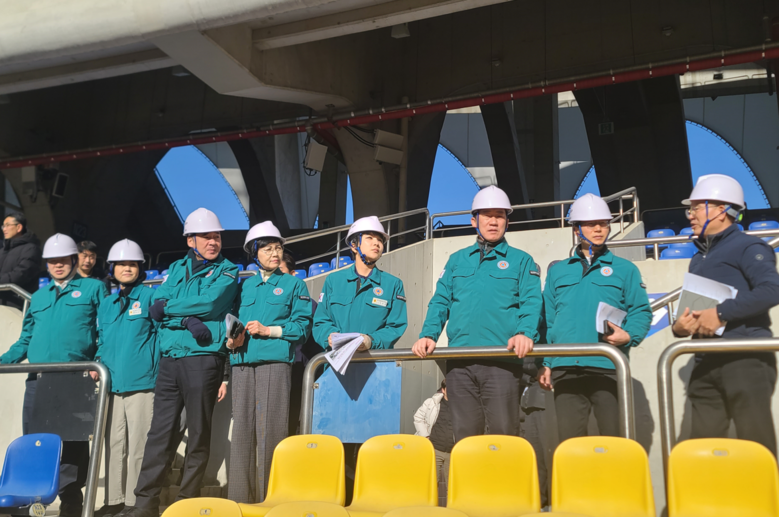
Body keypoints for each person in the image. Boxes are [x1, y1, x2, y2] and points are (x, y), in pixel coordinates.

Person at [118, 208, 239, 517]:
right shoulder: (176, 267)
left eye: (216, 236)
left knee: (198, 433)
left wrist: (174, 312)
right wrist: (187, 319)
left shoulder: (228, 270)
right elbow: (156, 307)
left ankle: (187, 502)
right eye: (206, 236)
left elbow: (209, 304)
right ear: (190, 240)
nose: (213, 242)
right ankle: (145, 503)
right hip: (170, 359)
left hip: (203, 358)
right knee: (159, 433)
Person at [412, 186, 542, 442]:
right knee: (465, 438)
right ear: (474, 221)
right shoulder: (457, 260)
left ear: (507, 221)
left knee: (503, 436)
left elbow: (531, 302)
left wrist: (525, 333)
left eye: (499, 216)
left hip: (502, 362)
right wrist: (428, 334)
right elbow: (441, 301)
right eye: (487, 215)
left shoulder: (521, 260)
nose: (493, 221)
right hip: (459, 362)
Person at [1, 233, 108, 517]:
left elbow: (105, 330)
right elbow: (26, 339)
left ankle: (71, 502)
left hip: (75, 378)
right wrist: (3, 360)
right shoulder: (39, 297)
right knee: (35, 441)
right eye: (52, 261)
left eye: (63, 260)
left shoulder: (93, 288)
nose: (58, 265)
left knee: (72, 444)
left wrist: (98, 362)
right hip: (38, 379)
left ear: (74, 259)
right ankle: (29, 500)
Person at [671, 174, 779, 455]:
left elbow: (772, 290)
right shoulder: (698, 258)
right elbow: (694, 311)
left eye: (696, 207)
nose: (690, 215)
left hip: (746, 358)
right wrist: (680, 327)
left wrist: (721, 313)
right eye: (690, 209)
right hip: (705, 362)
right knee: (703, 451)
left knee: (756, 448)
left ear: (721, 210)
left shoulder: (749, 247)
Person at [537, 193, 652, 441]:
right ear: (576, 229)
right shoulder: (558, 271)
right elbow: (548, 319)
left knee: (613, 440)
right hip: (565, 366)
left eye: (603, 223)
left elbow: (641, 310)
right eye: (590, 224)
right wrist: (546, 362)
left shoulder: (626, 269)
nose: (598, 229)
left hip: (607, 365)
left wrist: (629, 335)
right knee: (570, 443)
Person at [226, 221, 313, 503]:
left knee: (271, 432)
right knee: (241, 434)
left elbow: (302, 327)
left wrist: (269, 330)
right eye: (267, 249)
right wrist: (230, 342)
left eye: (278, 248)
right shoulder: (244, 286)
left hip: (274, 364)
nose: (275, 253)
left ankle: (271, 500)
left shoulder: (293, 284)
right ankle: (240, 501)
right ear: (254, 253)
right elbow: (228, 323)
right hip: (241, 363)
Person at [92, 240, 160, 517]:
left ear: (140, 268)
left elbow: (161, 336)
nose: (127, 268)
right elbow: (102, 340)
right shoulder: (107, 304)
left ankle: (134, 502)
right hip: (111, 385)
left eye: (132, 264)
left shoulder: (151, 297)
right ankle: (114, 500)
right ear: (112, 269)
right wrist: (97, 362)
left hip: (141, 383)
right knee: (114, 444)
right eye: (121, 264)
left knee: (139, 445)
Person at [313, 216, 408, 352]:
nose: (376, 243)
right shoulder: (333, 280)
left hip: (376, 360)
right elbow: (321, 321)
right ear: (354, 245)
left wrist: (371, 341)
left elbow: (395, 326)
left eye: (380, 240)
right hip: (338, 358)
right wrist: (329, 335)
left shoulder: (393, 284)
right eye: (369, 238)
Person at [413, 380, 454, 506]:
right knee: (430, 485)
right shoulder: (431, 403)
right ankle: (430, 511)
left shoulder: (463, 405)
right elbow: (418, 417)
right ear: (443, 390)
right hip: (434, 449)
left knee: (453, 487)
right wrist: (425, 435)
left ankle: (452, 512)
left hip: (454, 452)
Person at [0, 212, 41, 309]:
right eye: (3, 226)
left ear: (19, 227)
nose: (4, 229)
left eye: (7, 225)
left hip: (17, 306)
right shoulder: (2, 250)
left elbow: (21, 274)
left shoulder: (31, 249)